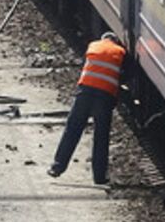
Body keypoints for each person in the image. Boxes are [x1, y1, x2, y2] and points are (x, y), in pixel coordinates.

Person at [48, 31, 126, 184]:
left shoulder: (93, 46)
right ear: (115, 42)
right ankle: (99, 177)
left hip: (84, 94)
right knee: (101, 137)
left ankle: (57, 167)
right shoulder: (120, 52)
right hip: (104, 97)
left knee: (72, 130)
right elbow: (125, 75)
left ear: (103, 39)